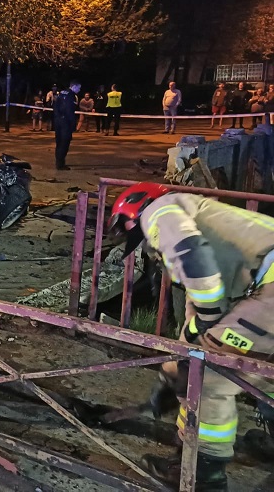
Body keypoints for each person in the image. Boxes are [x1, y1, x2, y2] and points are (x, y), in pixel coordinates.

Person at [109, 183, 274, 491]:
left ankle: (203, 474)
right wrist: (177, 364)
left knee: (208, 376)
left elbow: (196, 264)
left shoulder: (161, 211)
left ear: (136, 209)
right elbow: (197, 305)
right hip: (264, 287)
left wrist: (196, 354)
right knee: (264, 371)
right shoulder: (202, 216)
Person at [52, 80, 79, 170]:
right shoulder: (71, 95)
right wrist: (73, 124)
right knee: (65, 142)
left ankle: (58, 161)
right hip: (66, 122)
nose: (79, 90)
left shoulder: (62, 93)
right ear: (74, 86)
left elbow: (55, 106)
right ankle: (60, 164)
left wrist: (57, 117)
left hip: (58, 120)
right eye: (78, 88)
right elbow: (69, 110)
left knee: (59, 142)